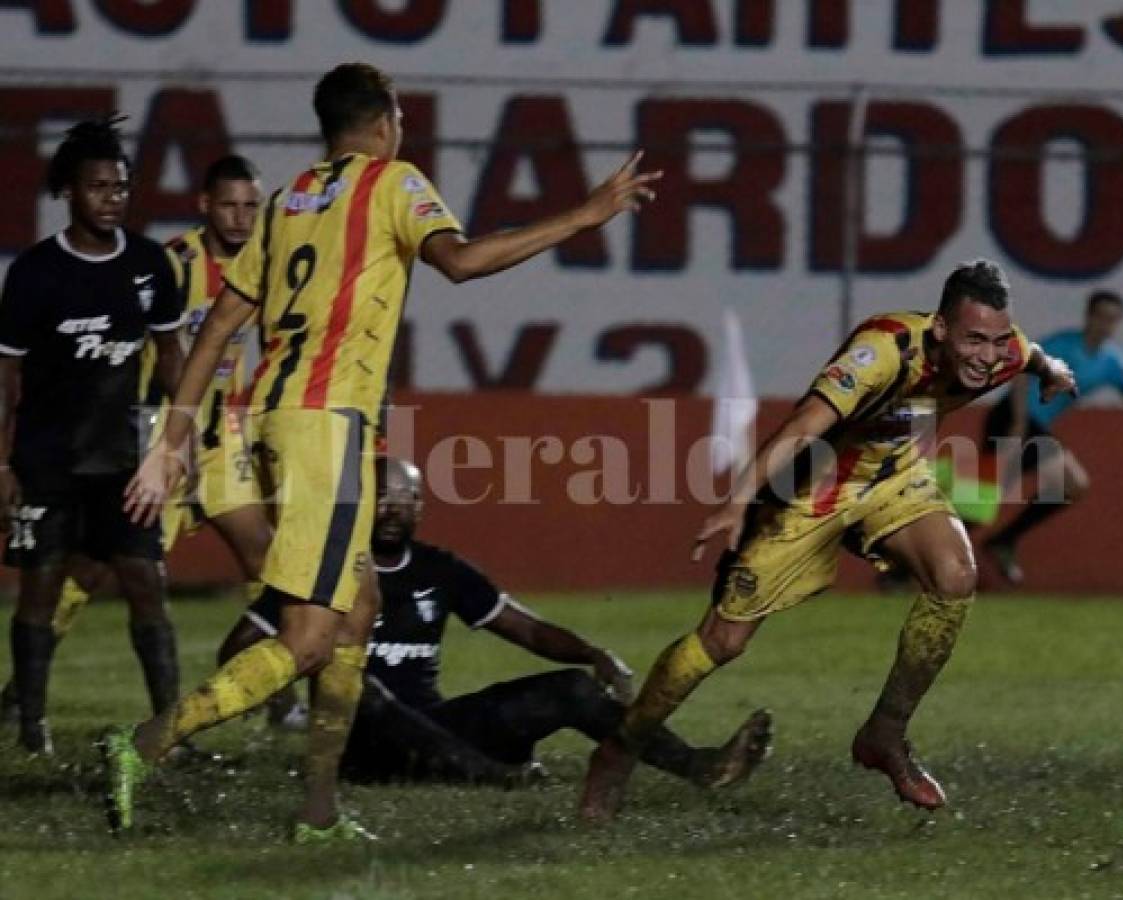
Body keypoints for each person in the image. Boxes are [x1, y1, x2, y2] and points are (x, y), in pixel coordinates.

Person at [109, 62, 662, 841]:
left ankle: (320, 809)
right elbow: (462, 262)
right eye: (397, 118)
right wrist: (584, 215)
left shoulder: (290, 198)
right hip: (325, 423)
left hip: (284, 418)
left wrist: (173, 437)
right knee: (307, 640)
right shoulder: (392, 182)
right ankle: (144, 745)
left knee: (360, 609)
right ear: (383, 121)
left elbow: (226, 316)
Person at [579, 260, 1078, 823]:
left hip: (894, 480)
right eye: (973, 340)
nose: (986, 356)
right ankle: (619, 749)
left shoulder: (1001, 351)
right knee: (724, 640)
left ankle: (884, 735)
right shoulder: (880, 350)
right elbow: (802, 427)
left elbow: (1027, 352)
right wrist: (739, 499)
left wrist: (1051, 369)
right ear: (940, 329)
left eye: (994, 341)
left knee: (956, 576)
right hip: (815, 489)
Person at [221, 456, 773, 788]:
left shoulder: (441, 569)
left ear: (421, 508)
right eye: (381, 497)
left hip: (439, 735)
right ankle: (495, 777)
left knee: (571, 691)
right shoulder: (322, 567)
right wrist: (281, 699)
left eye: (406, 497)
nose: (392, 508)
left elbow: (525, 628)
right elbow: (239, 645)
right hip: (357, 750)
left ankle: (696, 765)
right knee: (362, 690)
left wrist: (591, 655)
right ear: (359, 506)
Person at [0, 155, 275, 727]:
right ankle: (23, 694)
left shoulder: (264, 265)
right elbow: (156, 350)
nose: (242, 217)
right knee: (95, 571)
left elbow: (248, 348)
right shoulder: (174, 261)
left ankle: (276, 692)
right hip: (145, 432)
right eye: (229, 204)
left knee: (264, 557)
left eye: (252, 205)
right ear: (204, 205)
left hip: (215, 429)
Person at [0, 116, 186, 755]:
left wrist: (169, 443)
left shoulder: (149, 264)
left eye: (122, 187)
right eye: (99, 186)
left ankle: (169, 728)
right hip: (47, 458)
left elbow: (170, 355)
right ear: (69, 192)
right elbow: (7, 373)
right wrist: (3, 462)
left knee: (146, 580)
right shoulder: (34, 273)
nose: (113, 197)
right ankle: (32, 728)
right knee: (42, 587)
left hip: (122, 461)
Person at [981, 290, 1123, 584]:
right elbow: (1021, 368)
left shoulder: (1113, 360)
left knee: (986, 496)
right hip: (1011, 416)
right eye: (1100, 316)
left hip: (1036, 425)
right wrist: (1018, 423)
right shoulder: (1064, 344)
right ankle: (910, 563)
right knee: (978, 498)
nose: (1105, 324)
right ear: (1089, 316)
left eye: (1112, 319)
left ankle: (1002, 541)